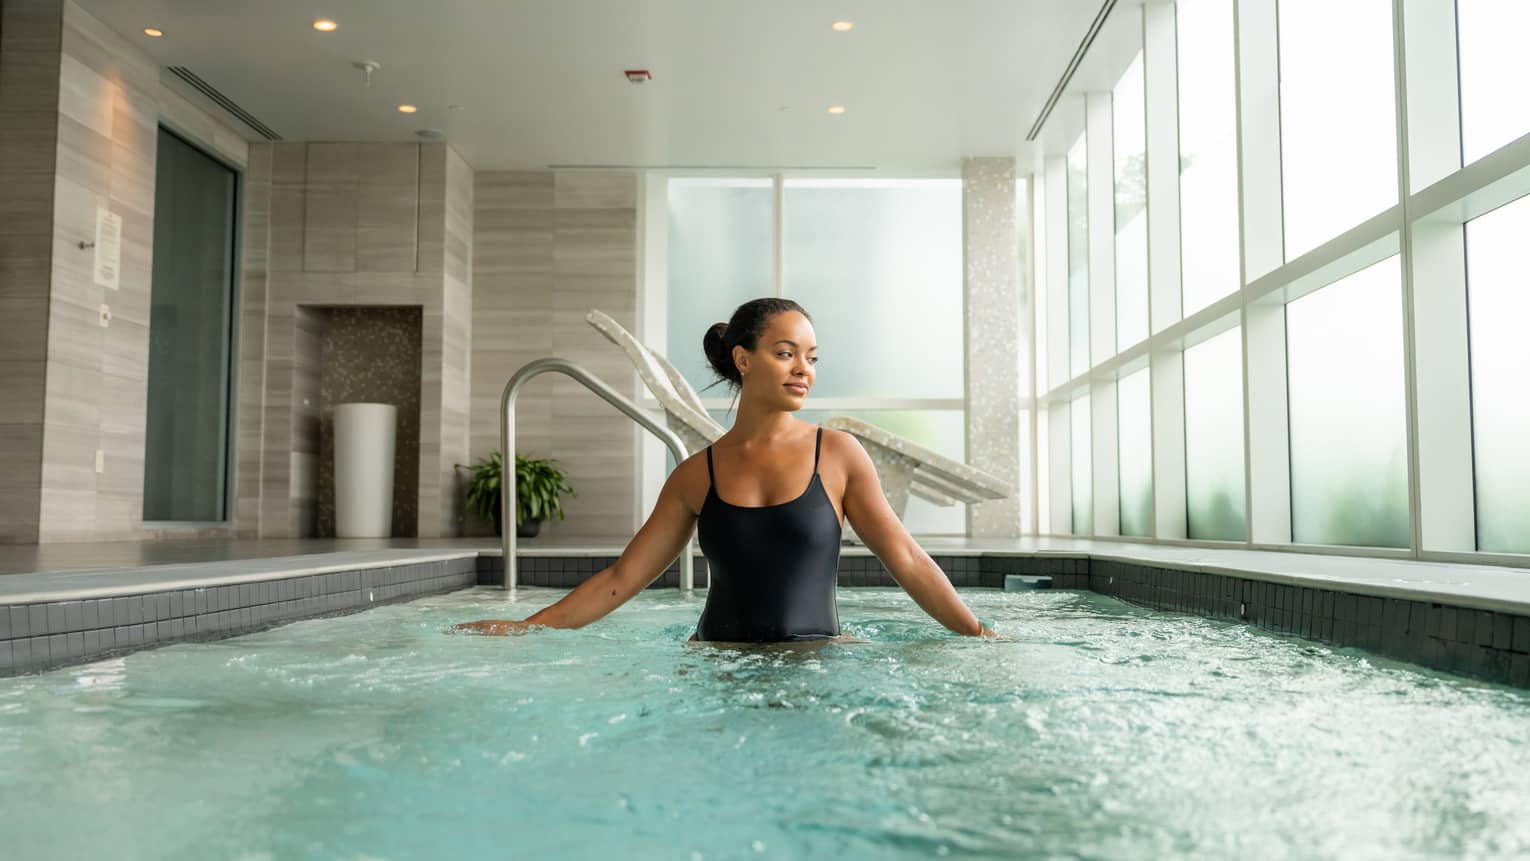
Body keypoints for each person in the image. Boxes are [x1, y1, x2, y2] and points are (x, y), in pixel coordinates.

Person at [454, 298, 996, 642]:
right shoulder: (695, 476)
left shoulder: (837, 454)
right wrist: (526, 627)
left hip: (817, 667)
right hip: (716, 666)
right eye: (786, 353)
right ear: (743, 359)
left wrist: (976, 631)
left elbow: (905, 558)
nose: (803, 368)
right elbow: (622, 580)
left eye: (811, 356)